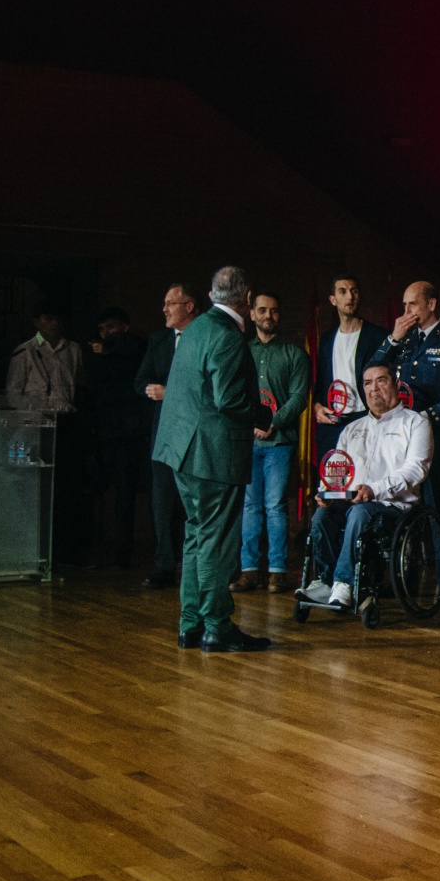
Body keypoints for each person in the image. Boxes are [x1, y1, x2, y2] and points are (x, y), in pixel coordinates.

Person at [152, 266, 274, 652]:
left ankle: (191, 623)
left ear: (209, 295)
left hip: (182, 450)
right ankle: (217, 626)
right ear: (247, 297)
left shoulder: (197, 328)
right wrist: (262, 414)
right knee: (217, 541)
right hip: (213, 454)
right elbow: (229, 400)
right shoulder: (226, 335)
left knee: (195, 536)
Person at [300, 361, 433, 610]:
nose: (374, 389)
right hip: (352, 504)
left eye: (381, 380)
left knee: (361, 512)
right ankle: (327, 582)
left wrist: (375, 489)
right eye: (367, 383)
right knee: (322, 515)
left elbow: (416, 469)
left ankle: (345, 583)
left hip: (393, 507)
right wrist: (325, 491)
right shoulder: (352, 429)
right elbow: (336, 470)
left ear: (396, 384)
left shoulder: (416, 423)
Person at [374, 280, 440, 536]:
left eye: (412, 305)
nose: (406, 312)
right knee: (399, 502)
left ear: (431, 304)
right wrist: (392, 340)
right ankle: (405, 568)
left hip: (438, 434)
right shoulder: (403, 341)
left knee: (438, 506)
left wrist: (427, 415)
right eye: (404, 305)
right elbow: (372, 373)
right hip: (400, 436)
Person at [235, 291, 311, 593]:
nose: (269, 316)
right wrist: (251, 423)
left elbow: (298, 398)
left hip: (280, 443)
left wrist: (272, 422)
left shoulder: (294, 354)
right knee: (250, 506)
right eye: (263, 310)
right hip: (247, 442)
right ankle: (249, 570)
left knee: (276, 506)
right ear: (252, 314)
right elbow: (233, 391)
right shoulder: (240, 352)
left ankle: (278, 571)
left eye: (274, 310)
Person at [6, 304, 90, 564]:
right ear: (37, 321)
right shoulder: (25, 350)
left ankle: (66, 550)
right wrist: (34, 412)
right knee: (35, 489)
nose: (53, 323)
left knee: (66, 490)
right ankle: (35, 550)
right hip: (36, 426)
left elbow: (79, 384)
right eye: (47, 317)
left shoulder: (73, 349)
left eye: (57, 317)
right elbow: (12, 392)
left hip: (66, 424)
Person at [137, 282, 198, 588]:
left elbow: (204, 386)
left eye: (170, 303)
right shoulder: (159, 341)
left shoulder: (203, 338)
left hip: (195, 434)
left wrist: (168, 392)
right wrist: (152, 390)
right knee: (162, 501)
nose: (164, 309)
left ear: (189, 306)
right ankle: (164, 564)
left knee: (190, 503)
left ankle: (192, 564)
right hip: (163, 433)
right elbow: (142, 380)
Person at [87, 306, 146, 571]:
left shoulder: (134, 348)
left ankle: (122, 556)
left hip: (127, 434)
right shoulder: (99, 356)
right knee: (95, 489)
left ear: (125, 327)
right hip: (104, 433)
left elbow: (132, 352)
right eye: (102, 329)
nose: (106, 334)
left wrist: (109, 350)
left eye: (111, 327)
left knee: (125, 495)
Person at [313, 274, 388, 466]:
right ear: (333, 300)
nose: (350, 297)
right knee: (332, 487)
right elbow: (321, 382)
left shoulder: (377, 335)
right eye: (343, 291)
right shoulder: (327, 340)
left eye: (354, 291)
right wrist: (317, 406)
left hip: (365, 419)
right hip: (333, 422)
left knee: (364, 482)